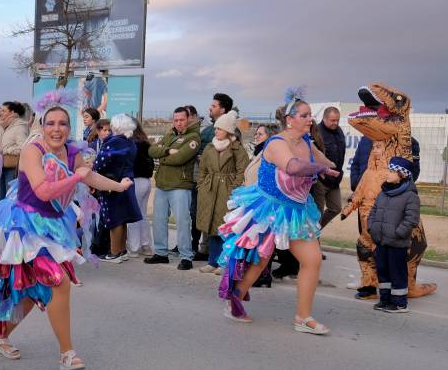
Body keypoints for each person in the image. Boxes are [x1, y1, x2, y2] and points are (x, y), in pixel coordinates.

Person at [0, 93, 132, 370]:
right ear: (41, 125)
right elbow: (43, 190)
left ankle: (1, 335)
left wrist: (117, 186)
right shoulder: (32, 151)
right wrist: (77, 177)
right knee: (58, 281)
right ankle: (67, 353)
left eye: (62, 123)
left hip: (54, 225)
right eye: (51, 123)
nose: (56, 129)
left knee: (31, 291)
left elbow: (91, 176)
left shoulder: (72, 152)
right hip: (25, 226)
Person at [216, 90, 340, 334]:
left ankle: (303, 318)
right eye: (304, 115)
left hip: (297, 211)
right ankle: (235, 299)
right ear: (289, 119)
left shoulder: (306, 142)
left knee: (312, 260)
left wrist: (329, 167)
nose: (309, 120)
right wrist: (318, 168)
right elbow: (293, 167)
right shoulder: (276, 144)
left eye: (310, 116)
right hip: (269, 209)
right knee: (259, 261)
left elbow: (326, 162)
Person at [143, 107, 202, 270]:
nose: (178, 123)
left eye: (181, 120)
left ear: (188, 119)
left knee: (182, 222)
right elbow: (151, 150)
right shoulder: (170, 134)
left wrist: (162, 159)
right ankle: (161, 253)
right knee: (158, 220)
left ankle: (186, 257)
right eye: (175, 120)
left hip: (180, 186)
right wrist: (168, 150)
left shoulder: (194, 137)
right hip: (162, 184)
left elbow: (180, 158)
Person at [195, 111, 249, 274]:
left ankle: (224, 263)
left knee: (225, 229)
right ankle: (212, 261)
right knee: (211, 228)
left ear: (228, 131)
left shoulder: (237, 148)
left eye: (219, 128)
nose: (216, 131)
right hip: (210, 190)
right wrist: (202, 186)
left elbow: (242, 170)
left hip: (227, 192)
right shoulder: (210, 147)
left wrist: (234, 188)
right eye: (216, 128)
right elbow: (202, 169)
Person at [367, 157, 421, 313]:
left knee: (397, 272)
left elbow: (411, 219)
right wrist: (372, 227)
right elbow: (373, 211)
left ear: (402, 175)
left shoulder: (410, 196)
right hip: (381, 240)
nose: (388, 174)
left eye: (392, 172)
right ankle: (385, 300)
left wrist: (399, 233)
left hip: (397, 243)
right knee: (383, 271)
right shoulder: (383, 192)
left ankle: (399, 303)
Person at [93, 115, 142, 263]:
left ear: (116, 126)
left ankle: (114, 253)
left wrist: (93, 165)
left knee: (114, 218)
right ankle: (122, 251)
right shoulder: (130, 143)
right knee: (123, 217)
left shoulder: (113, 142)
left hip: (112, 182)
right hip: (127, 180)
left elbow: (100, 163)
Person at [312, 107, 346, 227]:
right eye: (332, 120)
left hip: (335, 180)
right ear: (324, 118)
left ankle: (316, 229)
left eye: (337, 120)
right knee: (317, 213)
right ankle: (314, 239)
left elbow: (341, 154)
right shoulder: (317, 132)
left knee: (336, 208)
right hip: (320, 181)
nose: (335, 123)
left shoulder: (339, 131)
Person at [126, 118, 154, 255]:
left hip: (135, 180)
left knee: (133, 215)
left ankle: (134, 247)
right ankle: (145, 245)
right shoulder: (145, 142)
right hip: (146, 181)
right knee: (143, 215)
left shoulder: (131, 144)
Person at [0, 101, 30, 197]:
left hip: (12, 168)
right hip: (0, 167)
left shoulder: (20, 127)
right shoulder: (2, 127)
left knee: (10, 198)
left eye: (3, 111)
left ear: (12, 113)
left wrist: (6, 150)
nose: (1, 113)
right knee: (1, 198)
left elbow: (24, 147)